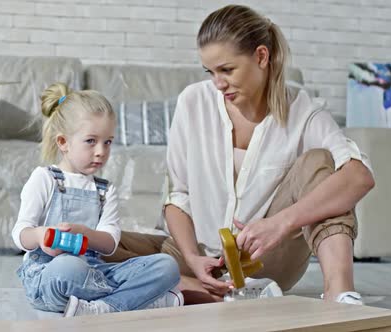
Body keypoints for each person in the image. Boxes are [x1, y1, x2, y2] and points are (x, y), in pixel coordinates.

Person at [103, 5, 375, 305]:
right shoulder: (193, 102)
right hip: (196, 257)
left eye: (227, 70)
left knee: (321, 164)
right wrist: (193, 258)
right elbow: (177, 196)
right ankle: (198, 287)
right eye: (211, 72)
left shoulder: (303, 111)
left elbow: (358, 176)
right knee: (94, 244)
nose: (218, 83)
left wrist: (281, 223)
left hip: (265, 260)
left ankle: (340, 294)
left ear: (261, 56)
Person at [12, 82, 183, 317]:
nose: (101, 151)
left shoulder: (105, 190)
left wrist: (86, 234)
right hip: (49, 275)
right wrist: (41, 236)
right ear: (63, 142)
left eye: (108, 141)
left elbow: (110, 243)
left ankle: (102, 308)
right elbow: (20, 233)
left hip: (97, 272)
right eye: (91, 141)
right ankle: (132, 300)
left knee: (167, 266)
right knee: (70, 267)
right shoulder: (44, 179)